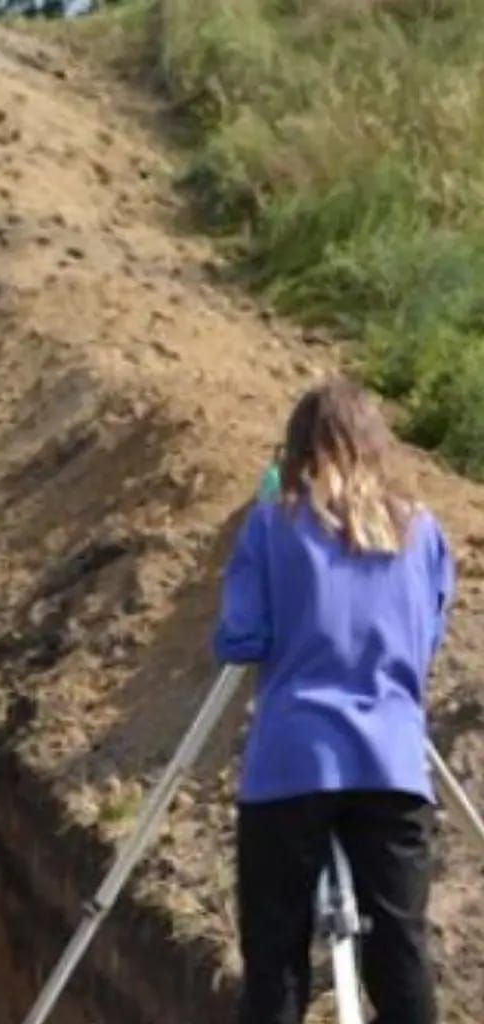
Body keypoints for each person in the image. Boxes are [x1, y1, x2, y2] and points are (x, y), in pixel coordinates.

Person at [214, 379, 454, 1024]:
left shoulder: (272, 524)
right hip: (393, 764)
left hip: (293, 761)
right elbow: (428, 635)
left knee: (275, 957)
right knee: (400, 954)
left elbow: (240, 638)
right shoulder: (423, 530)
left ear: (294, 449)